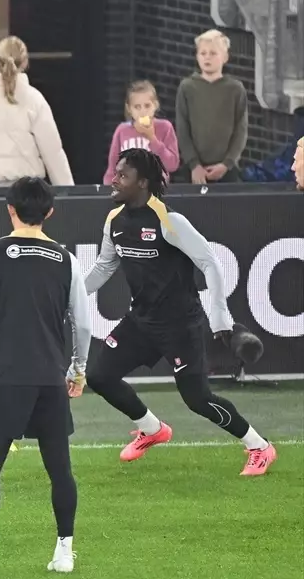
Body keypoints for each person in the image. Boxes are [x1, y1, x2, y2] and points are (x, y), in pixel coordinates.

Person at [84, 147, 277, 475]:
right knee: (99, 376)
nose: (113, 180)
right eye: (115, 173)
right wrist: (71, 296)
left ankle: (260, 447)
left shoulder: (169, 221)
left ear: (142, 182)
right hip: (141, 321)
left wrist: (220, 315)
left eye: (123, 175)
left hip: (180, 326)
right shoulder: (114, 220)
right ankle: (151, 428)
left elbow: (210, 263)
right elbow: (104, 266)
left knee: (198, 400)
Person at [0, 177, 91, 577]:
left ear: (10, 209)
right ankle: (64, 553)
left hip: (7, 374)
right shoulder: (66, 259)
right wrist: (78, 369)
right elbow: (83, 322)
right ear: (50, 212)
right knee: (60, 468)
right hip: (50, 375)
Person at [0, 35, 74, 188]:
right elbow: (53, 152)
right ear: (25, 62)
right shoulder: (34, 99)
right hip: (28, 192)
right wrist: (67, 191)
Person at [174, 29, 247, 185]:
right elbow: (182, 129)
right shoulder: (187, 87)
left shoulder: (235, 89)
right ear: (197, 56)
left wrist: (227, 164)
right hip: (194, 170)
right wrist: (194, 164)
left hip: (227, 170)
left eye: (213, 53)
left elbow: (241, 130)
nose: (207, 57)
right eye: (203, 53)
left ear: (225, 57)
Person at [103, 80, 180, 184]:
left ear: (155, 105)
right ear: (129, 109)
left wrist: (152, 138)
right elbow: (112, 167)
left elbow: (172, 165)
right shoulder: (122, 130)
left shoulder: (165, 127)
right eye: (137, 107)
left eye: (147, 106)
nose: (143, 112)